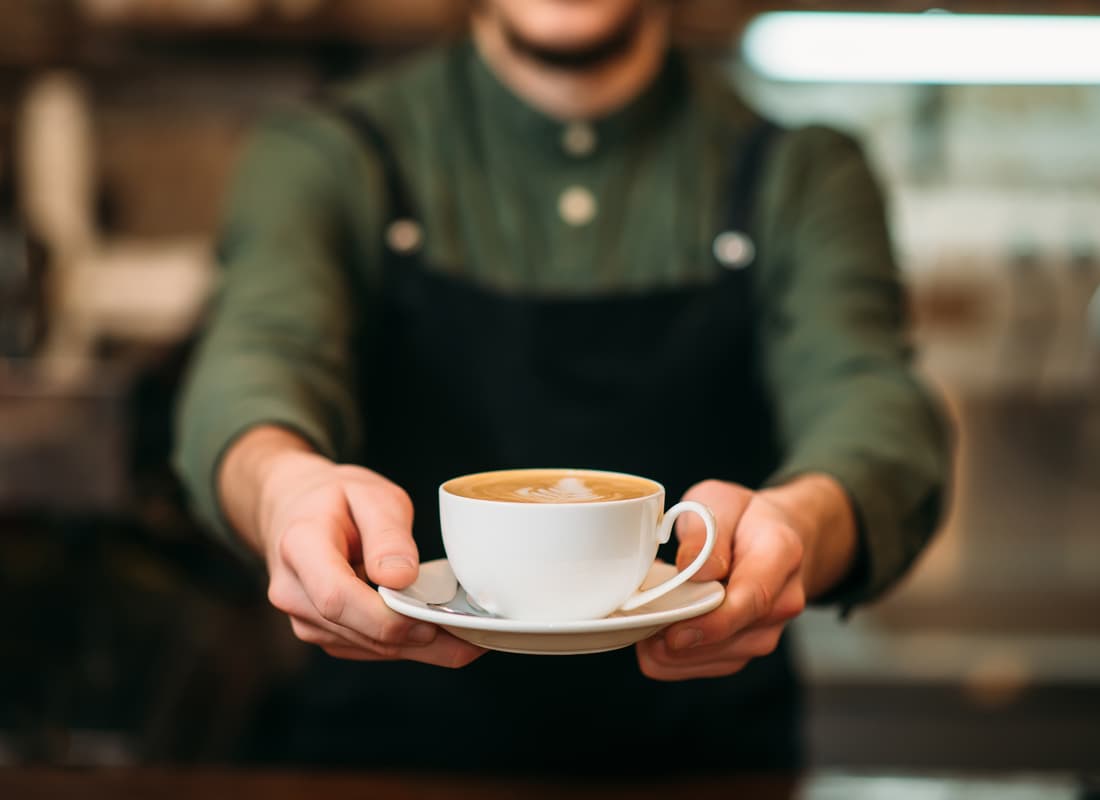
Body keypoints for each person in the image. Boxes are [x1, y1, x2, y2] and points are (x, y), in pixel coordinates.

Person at [173, 0, 951, 775]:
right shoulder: (326, 153)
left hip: (708, 762)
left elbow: (871, 401)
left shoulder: (802, 169)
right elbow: (255, 359)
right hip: (391, 759)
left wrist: (803, 525)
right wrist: (283, 488)